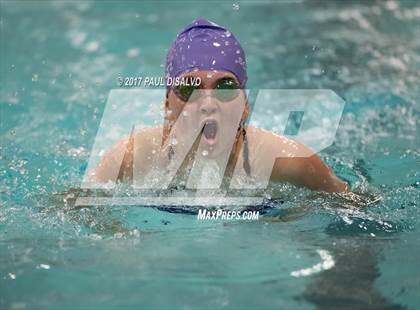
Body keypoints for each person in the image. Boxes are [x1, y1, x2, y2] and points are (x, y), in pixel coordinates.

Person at [89, 18, 348, 193]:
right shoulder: (133, 156)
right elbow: (72, 209)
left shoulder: (289, 162)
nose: (208, 103)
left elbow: (359, 213)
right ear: (167, 104)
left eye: (225, 87)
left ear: (245, 105)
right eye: (189, 88)